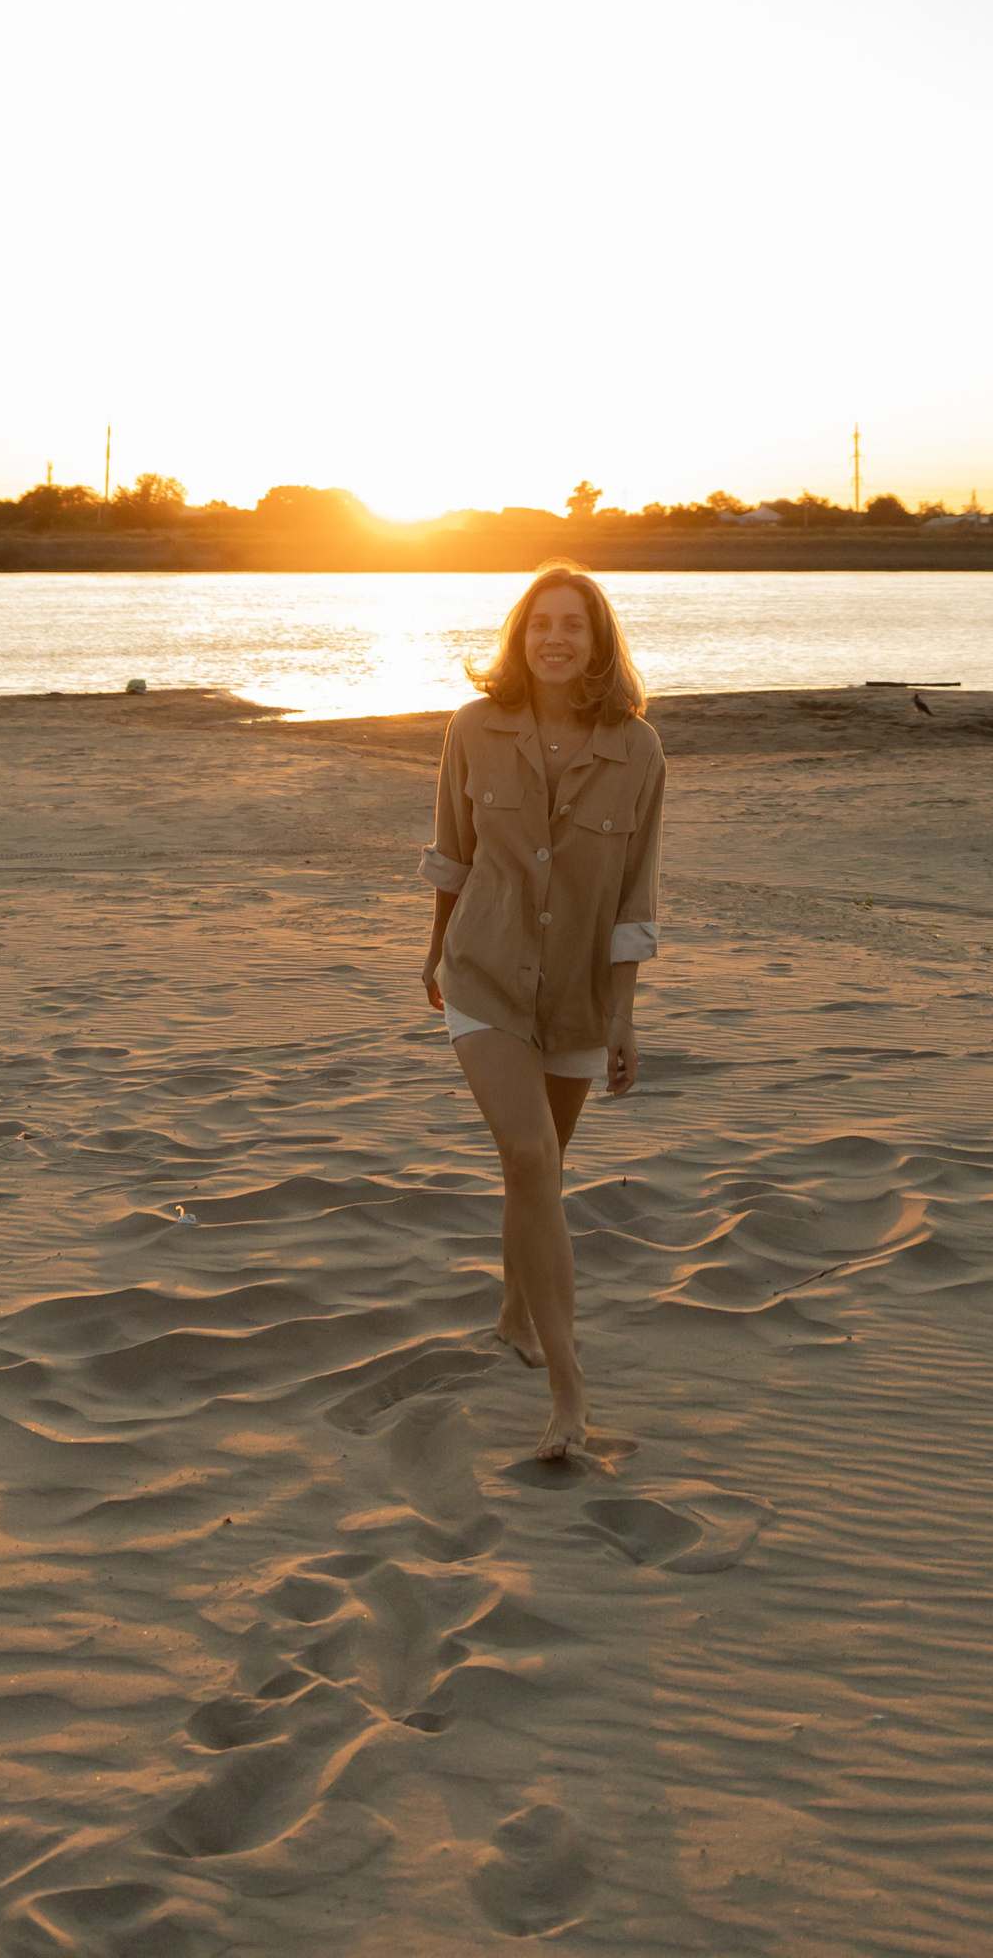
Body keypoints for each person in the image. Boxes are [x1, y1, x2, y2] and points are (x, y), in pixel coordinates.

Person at [419, 562, 666, 1461]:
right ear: (520, 639)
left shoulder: (637, 750)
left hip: (579, 997)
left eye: (574, 625)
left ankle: (514, 1310)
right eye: (540, 625)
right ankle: (570, 1389)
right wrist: (433, 948)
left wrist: (625, 1014)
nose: (556, 639)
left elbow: (637, 894)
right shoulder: (474, 729)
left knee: (544, 1167)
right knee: (528, 1154)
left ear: (599, 642)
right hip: (483, 973)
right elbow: (452, 852)